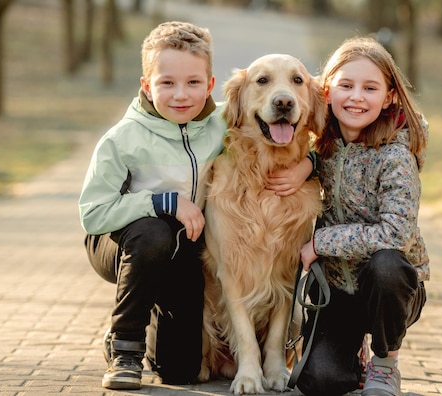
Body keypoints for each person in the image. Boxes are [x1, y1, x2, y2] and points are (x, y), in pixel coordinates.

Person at [79, 21, 312, 390]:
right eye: (167, 83)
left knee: (182, 371)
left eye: (192, 83)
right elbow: (92, 213)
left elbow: (293, 127)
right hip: (120, 239)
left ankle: (160, 323)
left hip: (183, 249)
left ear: (210, 86)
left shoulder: (223, 121)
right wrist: (163, 202)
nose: (181, 95)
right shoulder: (121, 139)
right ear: (146, 86)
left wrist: (308, 164)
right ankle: (124, 346)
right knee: (152, 234)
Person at [296, 36, 430, 396]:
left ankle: (385, 363)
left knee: (386, 264)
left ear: (388, 97)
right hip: (337, 288)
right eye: (346, 85)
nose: (356, 97)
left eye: (370, 88)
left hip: (390, 288)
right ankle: (350, 354)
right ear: (327, 91)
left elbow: (396, 234)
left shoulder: (395, 156)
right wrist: (306, 164)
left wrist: (320, 242)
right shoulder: (318, 142)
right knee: (320, 382)